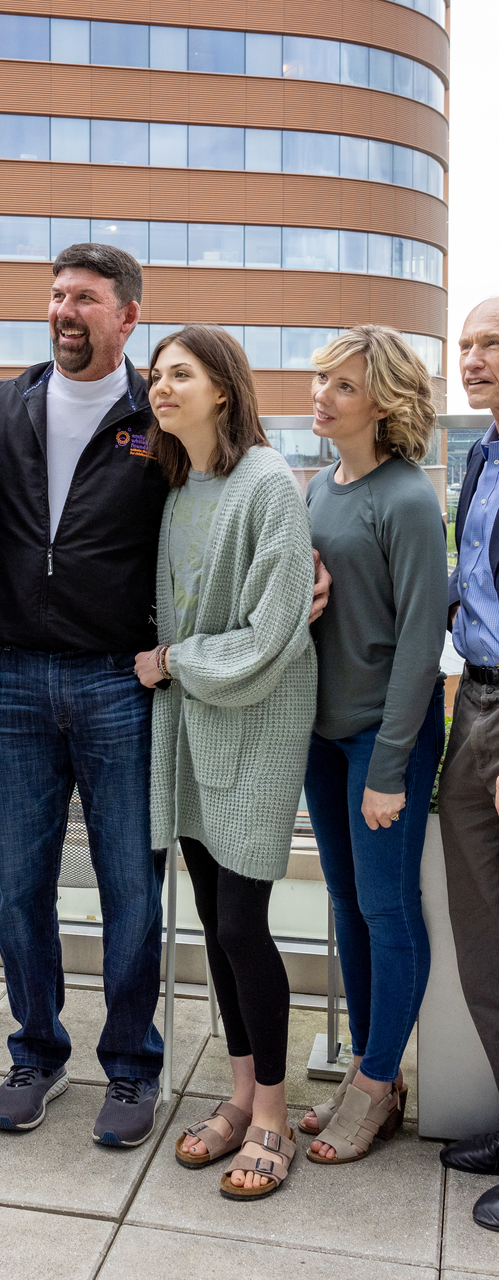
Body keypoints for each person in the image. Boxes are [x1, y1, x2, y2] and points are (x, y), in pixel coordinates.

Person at [0, 242, 171, 1147]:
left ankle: (131, 1066)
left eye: (85, 298)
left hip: (117, 681)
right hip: (10, 677)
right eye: (56, 294)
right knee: (19, 887)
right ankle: (37, 1051)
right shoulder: (5, 403)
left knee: (131, 883)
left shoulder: (155, 412)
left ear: (127, 316)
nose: (64, 310)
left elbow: (220, 507)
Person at [142, 325, 316, 1200]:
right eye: (155, 375)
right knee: (216, 922)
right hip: (191, 733)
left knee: (245, 923)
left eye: (179, 374)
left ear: (222, 388)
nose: (160, 387)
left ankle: (276, 1116)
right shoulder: (180, 489)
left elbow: (272, 632)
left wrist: (175, 664)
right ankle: (242, 1094)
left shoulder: (267, 486)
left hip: (254, 730)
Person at [300, 326, 447, 1166]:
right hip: (323, 736)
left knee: (388, 911)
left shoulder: (408, 497)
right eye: (323, 382)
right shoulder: (321, 487)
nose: (322, 396)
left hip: (382, 739)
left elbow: (422, 647)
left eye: (343, 387)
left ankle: (380, 1076)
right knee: (350, 906)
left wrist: (389, 768)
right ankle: (370, 1072)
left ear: (384, 402)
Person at [437, 297, 499, 1230]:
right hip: (475, 699)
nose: (475, 357)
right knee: (483, 933)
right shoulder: (482, 450)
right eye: (470, 344)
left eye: (493, 344)